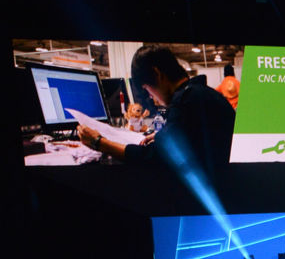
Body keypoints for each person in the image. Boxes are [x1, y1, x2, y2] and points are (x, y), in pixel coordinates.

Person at [75, 46, 235, 175]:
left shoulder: (187, 100)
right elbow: (193, 134)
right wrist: (165, 135)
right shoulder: (201, 93)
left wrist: (99, 142)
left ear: (157, 74)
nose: (151, 98)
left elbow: (153, 158)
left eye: (147, 89)